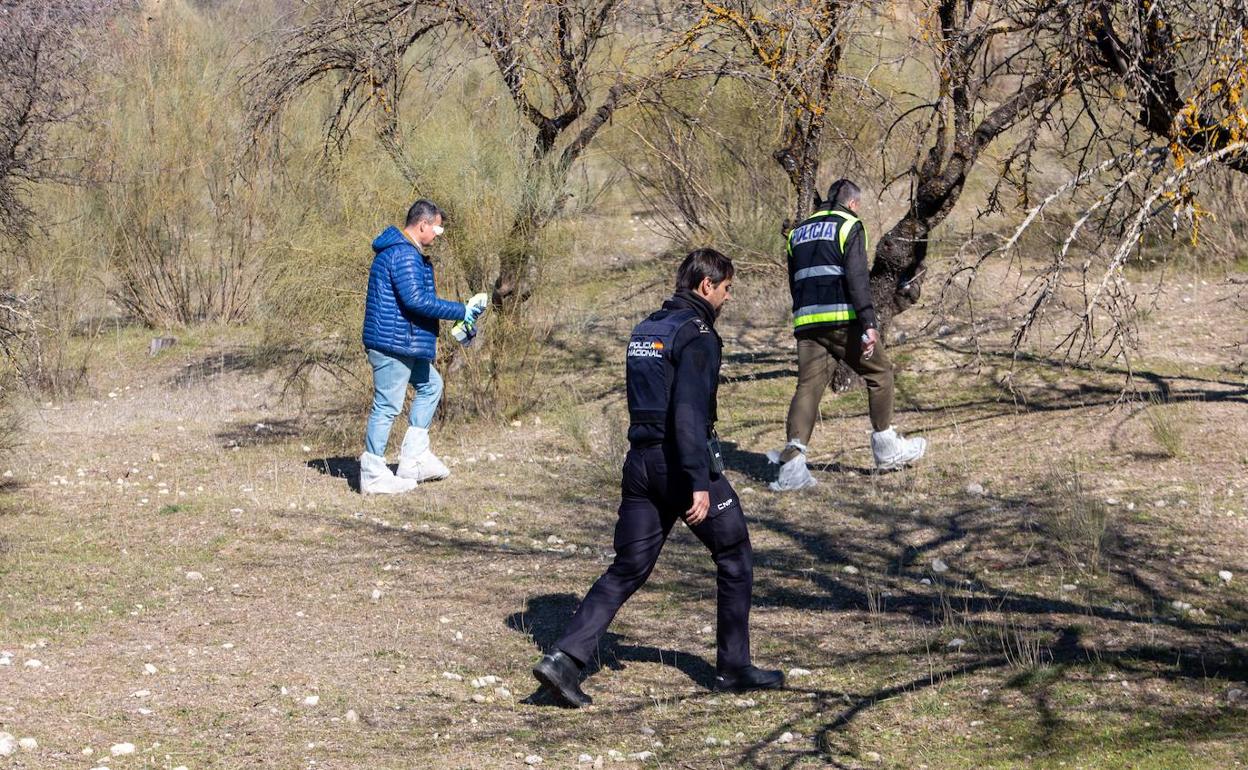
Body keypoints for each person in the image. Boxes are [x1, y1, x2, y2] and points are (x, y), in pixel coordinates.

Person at [532, 249, 784, 707]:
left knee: (627, 567)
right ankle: (733, 667)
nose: (727, 299)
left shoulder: (646, 329)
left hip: (640, 464)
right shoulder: (699, 335)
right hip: (680, 465)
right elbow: (687, 413)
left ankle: (564, 660)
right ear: (707, 285)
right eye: (727, 289)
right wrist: (699, 482)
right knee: (733, 551)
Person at [771, 179, 926, 491]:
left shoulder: (798, 232)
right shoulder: (849, 225)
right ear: (852, 203)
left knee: (808, 388)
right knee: (880, 372)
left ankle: (790, 469)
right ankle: (887, 448)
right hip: (843, 318)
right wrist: (868, 322)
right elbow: (856, 276)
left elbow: (794, 281)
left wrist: (804, 317)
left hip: (807, 322)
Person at [358, 199, 485, 495]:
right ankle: (373, 473)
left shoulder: (405, 252)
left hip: (404, 342)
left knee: (431, 386)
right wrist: (462, 311)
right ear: (422, 224)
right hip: (393, 345)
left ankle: (413, 460)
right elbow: (416, 300)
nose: (438, 234)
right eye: (437, 228)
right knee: (387, 405)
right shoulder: (403, 254)